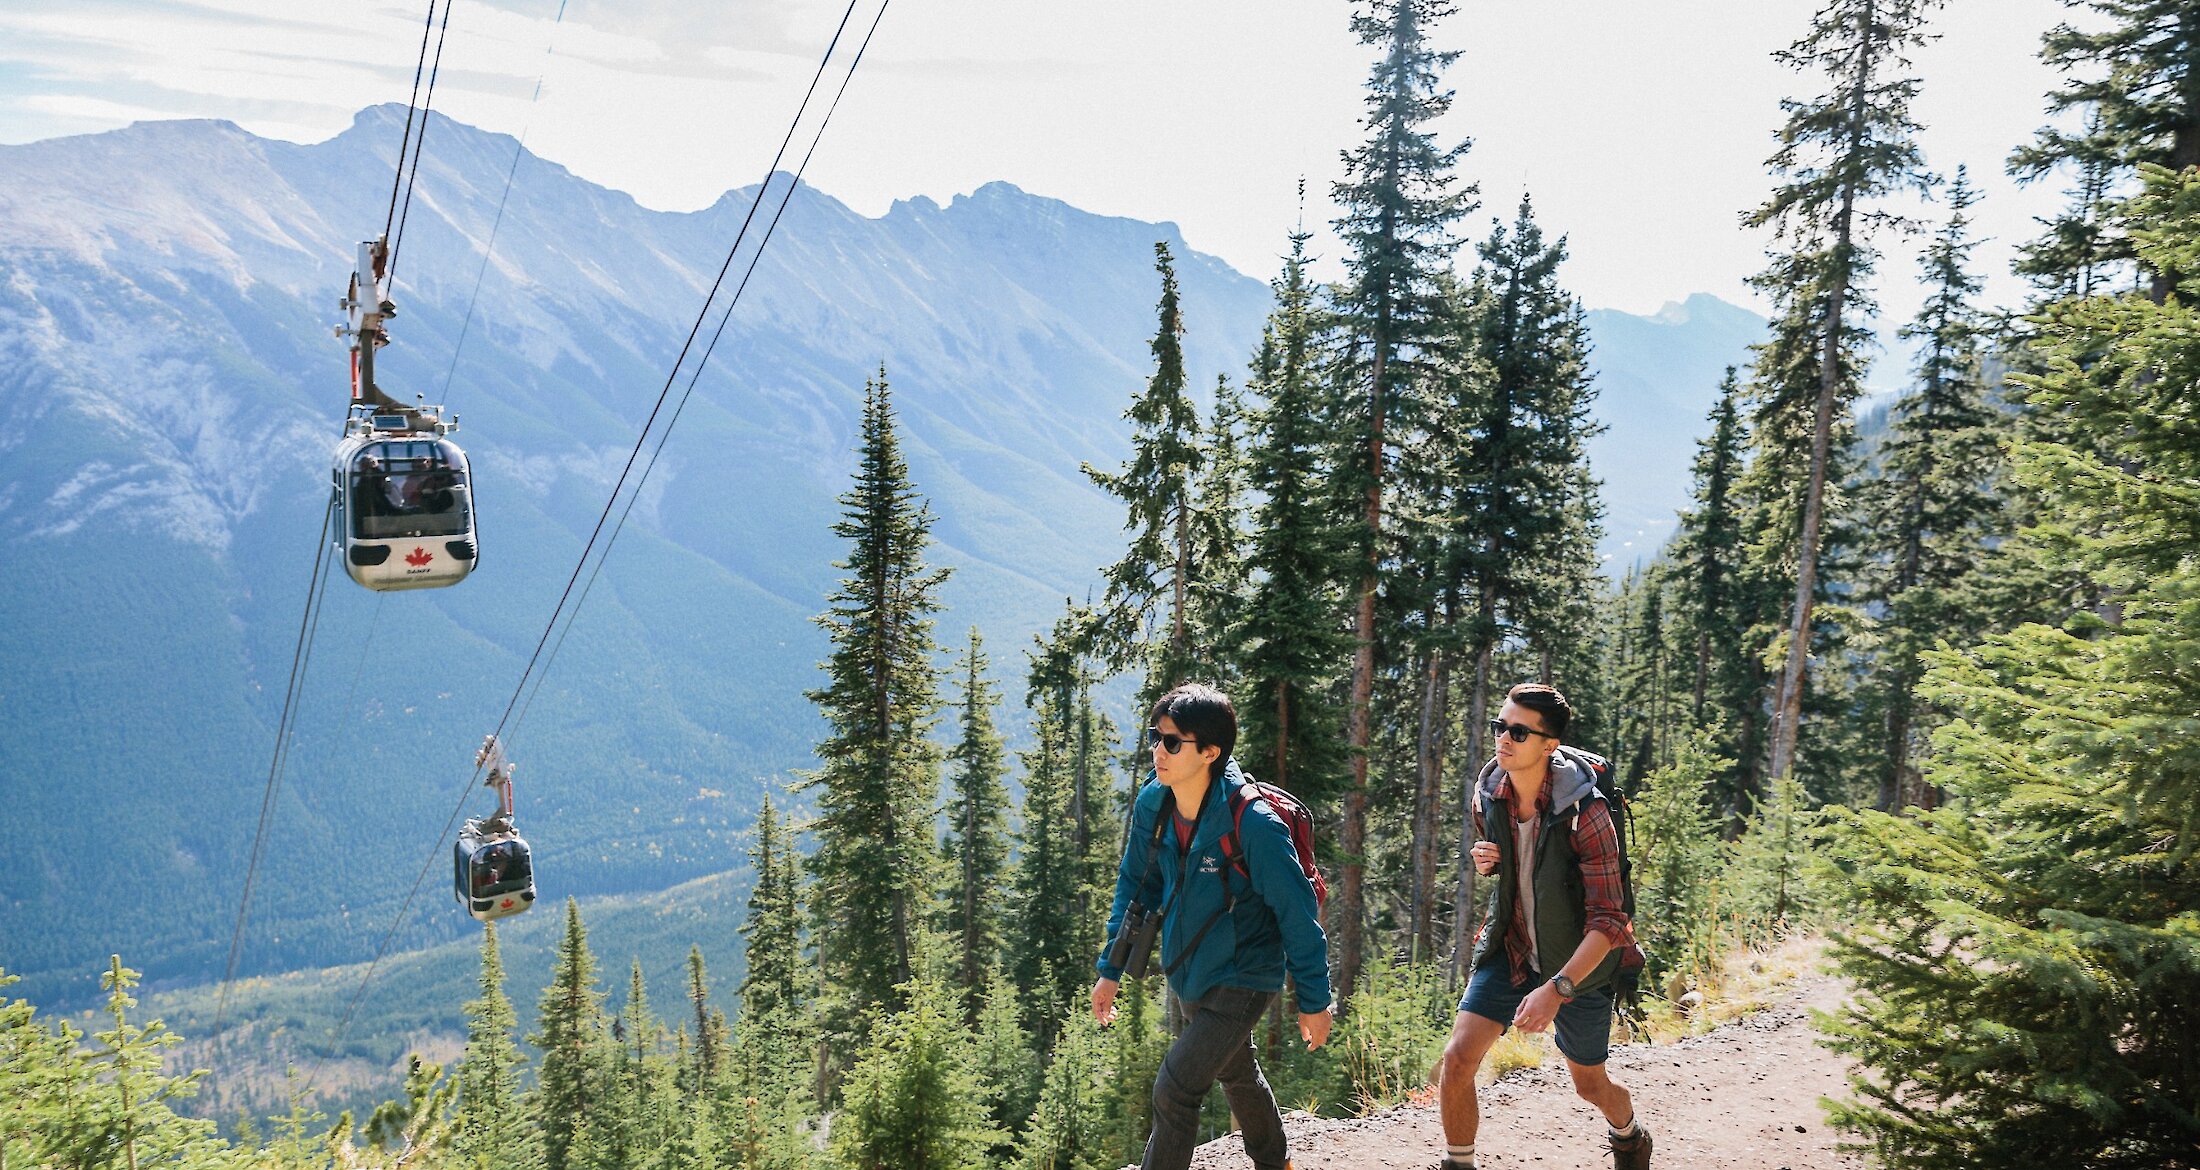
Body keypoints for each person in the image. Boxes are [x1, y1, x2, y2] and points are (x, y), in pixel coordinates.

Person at [1092, 683, 1333, 1170]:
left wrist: (1314, 1000)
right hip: (1190, 968)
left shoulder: (1256, 825)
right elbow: (1136, 886)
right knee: (1235, 1069)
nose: (1159, 751)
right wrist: (1111, 968)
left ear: (1210, 752)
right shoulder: (1154, 804)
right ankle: (1275, 1162)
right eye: (1156, 737)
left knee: (1175, 1088)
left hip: (1246, 974)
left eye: (1173, 742)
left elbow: (1297, 913)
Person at [1437, 683, 1650, 1170]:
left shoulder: (1588, 814)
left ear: (1549, 745)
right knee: (1457, 1060)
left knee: (1589, 1084)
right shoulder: (1489, 793)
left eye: (1518, 731)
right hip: (1511, 949)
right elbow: (1508, 864)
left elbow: (1611, 920)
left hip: (1582, 966)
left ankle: (1630, 1136)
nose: (1503, 739)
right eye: (1499, 727)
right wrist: (1489, 862)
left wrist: (1557, 988)